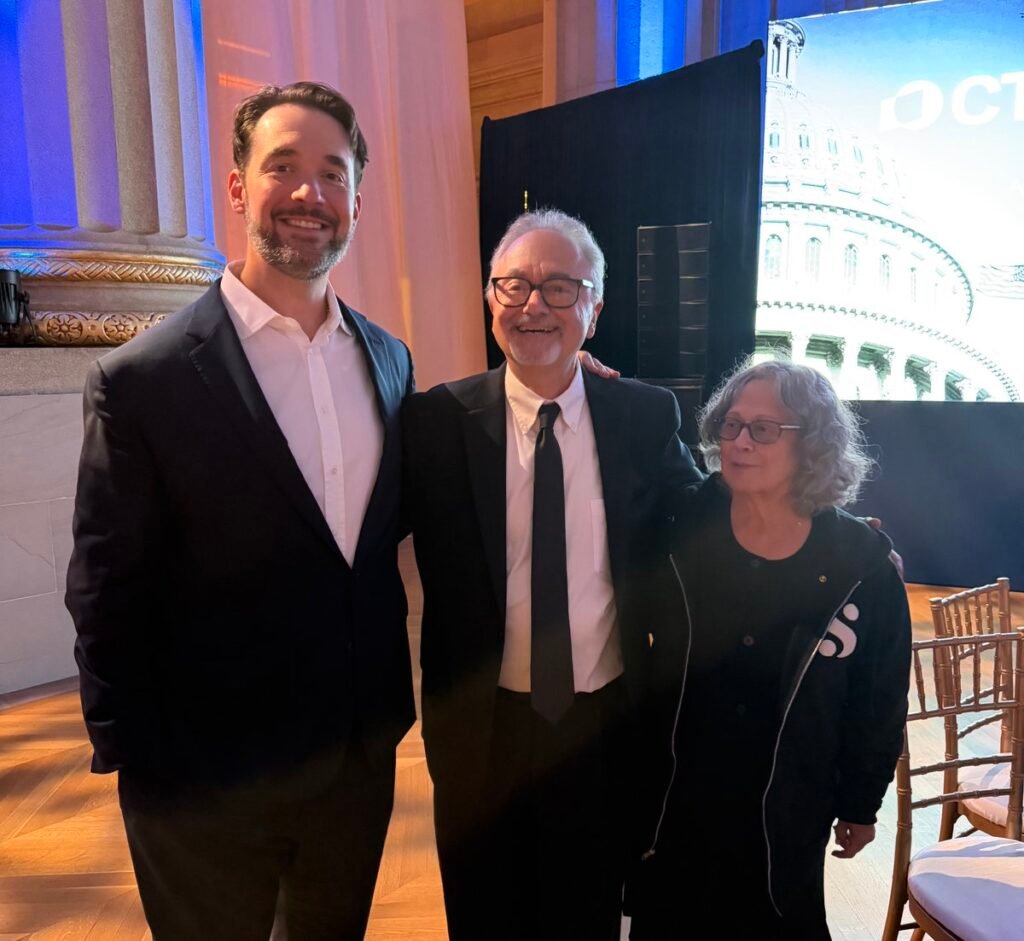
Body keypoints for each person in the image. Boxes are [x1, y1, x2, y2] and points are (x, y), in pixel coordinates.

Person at [65, 82, 416, 940]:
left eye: (332, 173)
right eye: (282, 167)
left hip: (354, 761)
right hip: (204, 778)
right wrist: (139, 761)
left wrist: (570, 382)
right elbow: (104, 588)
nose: (309, 193)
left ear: (357, 200)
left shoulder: (390, 359)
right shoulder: (140, 379)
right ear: (237, 187)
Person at [402, 209, 702, 940]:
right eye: (515, 285)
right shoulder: (435, 422)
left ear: (595, 309)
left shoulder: (642, 417)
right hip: (479, 730)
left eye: (561, 288)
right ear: (490, 299)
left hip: (600, 726)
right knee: (483, 918)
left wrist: (839, 539)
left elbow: (708, 522)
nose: (534, 304)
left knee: (585, 917)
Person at [629, 360, 912, 940]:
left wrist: (861, 801)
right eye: (731, 425)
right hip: (679, 795)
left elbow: (879, 698)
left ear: (813, 445)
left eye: (764, 430)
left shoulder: (861, 564)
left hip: (790, 803)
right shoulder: (680, 525)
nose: (739, 442)